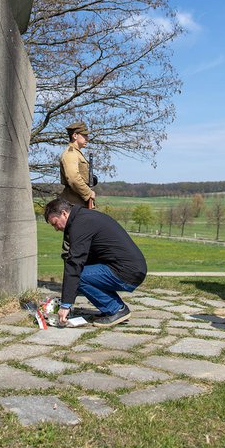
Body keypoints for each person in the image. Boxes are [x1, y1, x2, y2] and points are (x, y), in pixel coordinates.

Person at [44, 198, 147, 327]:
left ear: (64, 214)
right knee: (81, 274)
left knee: (80, 276)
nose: (56, 228)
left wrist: (65, 305)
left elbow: (74, 264)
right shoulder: (84, 217)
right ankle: (110, 309)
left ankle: (117, 309)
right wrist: (69, 294)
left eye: (55, 223)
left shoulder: (80, 224)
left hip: (127, 271)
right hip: (131, 268)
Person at [59, 121, 96, 208]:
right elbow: (73, 178)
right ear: (75, 136)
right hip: (73, 203)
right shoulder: (70, 153)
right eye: (84, 135)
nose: (87, 138)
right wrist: (88, 193)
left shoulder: (76, 153)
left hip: (78, 201)